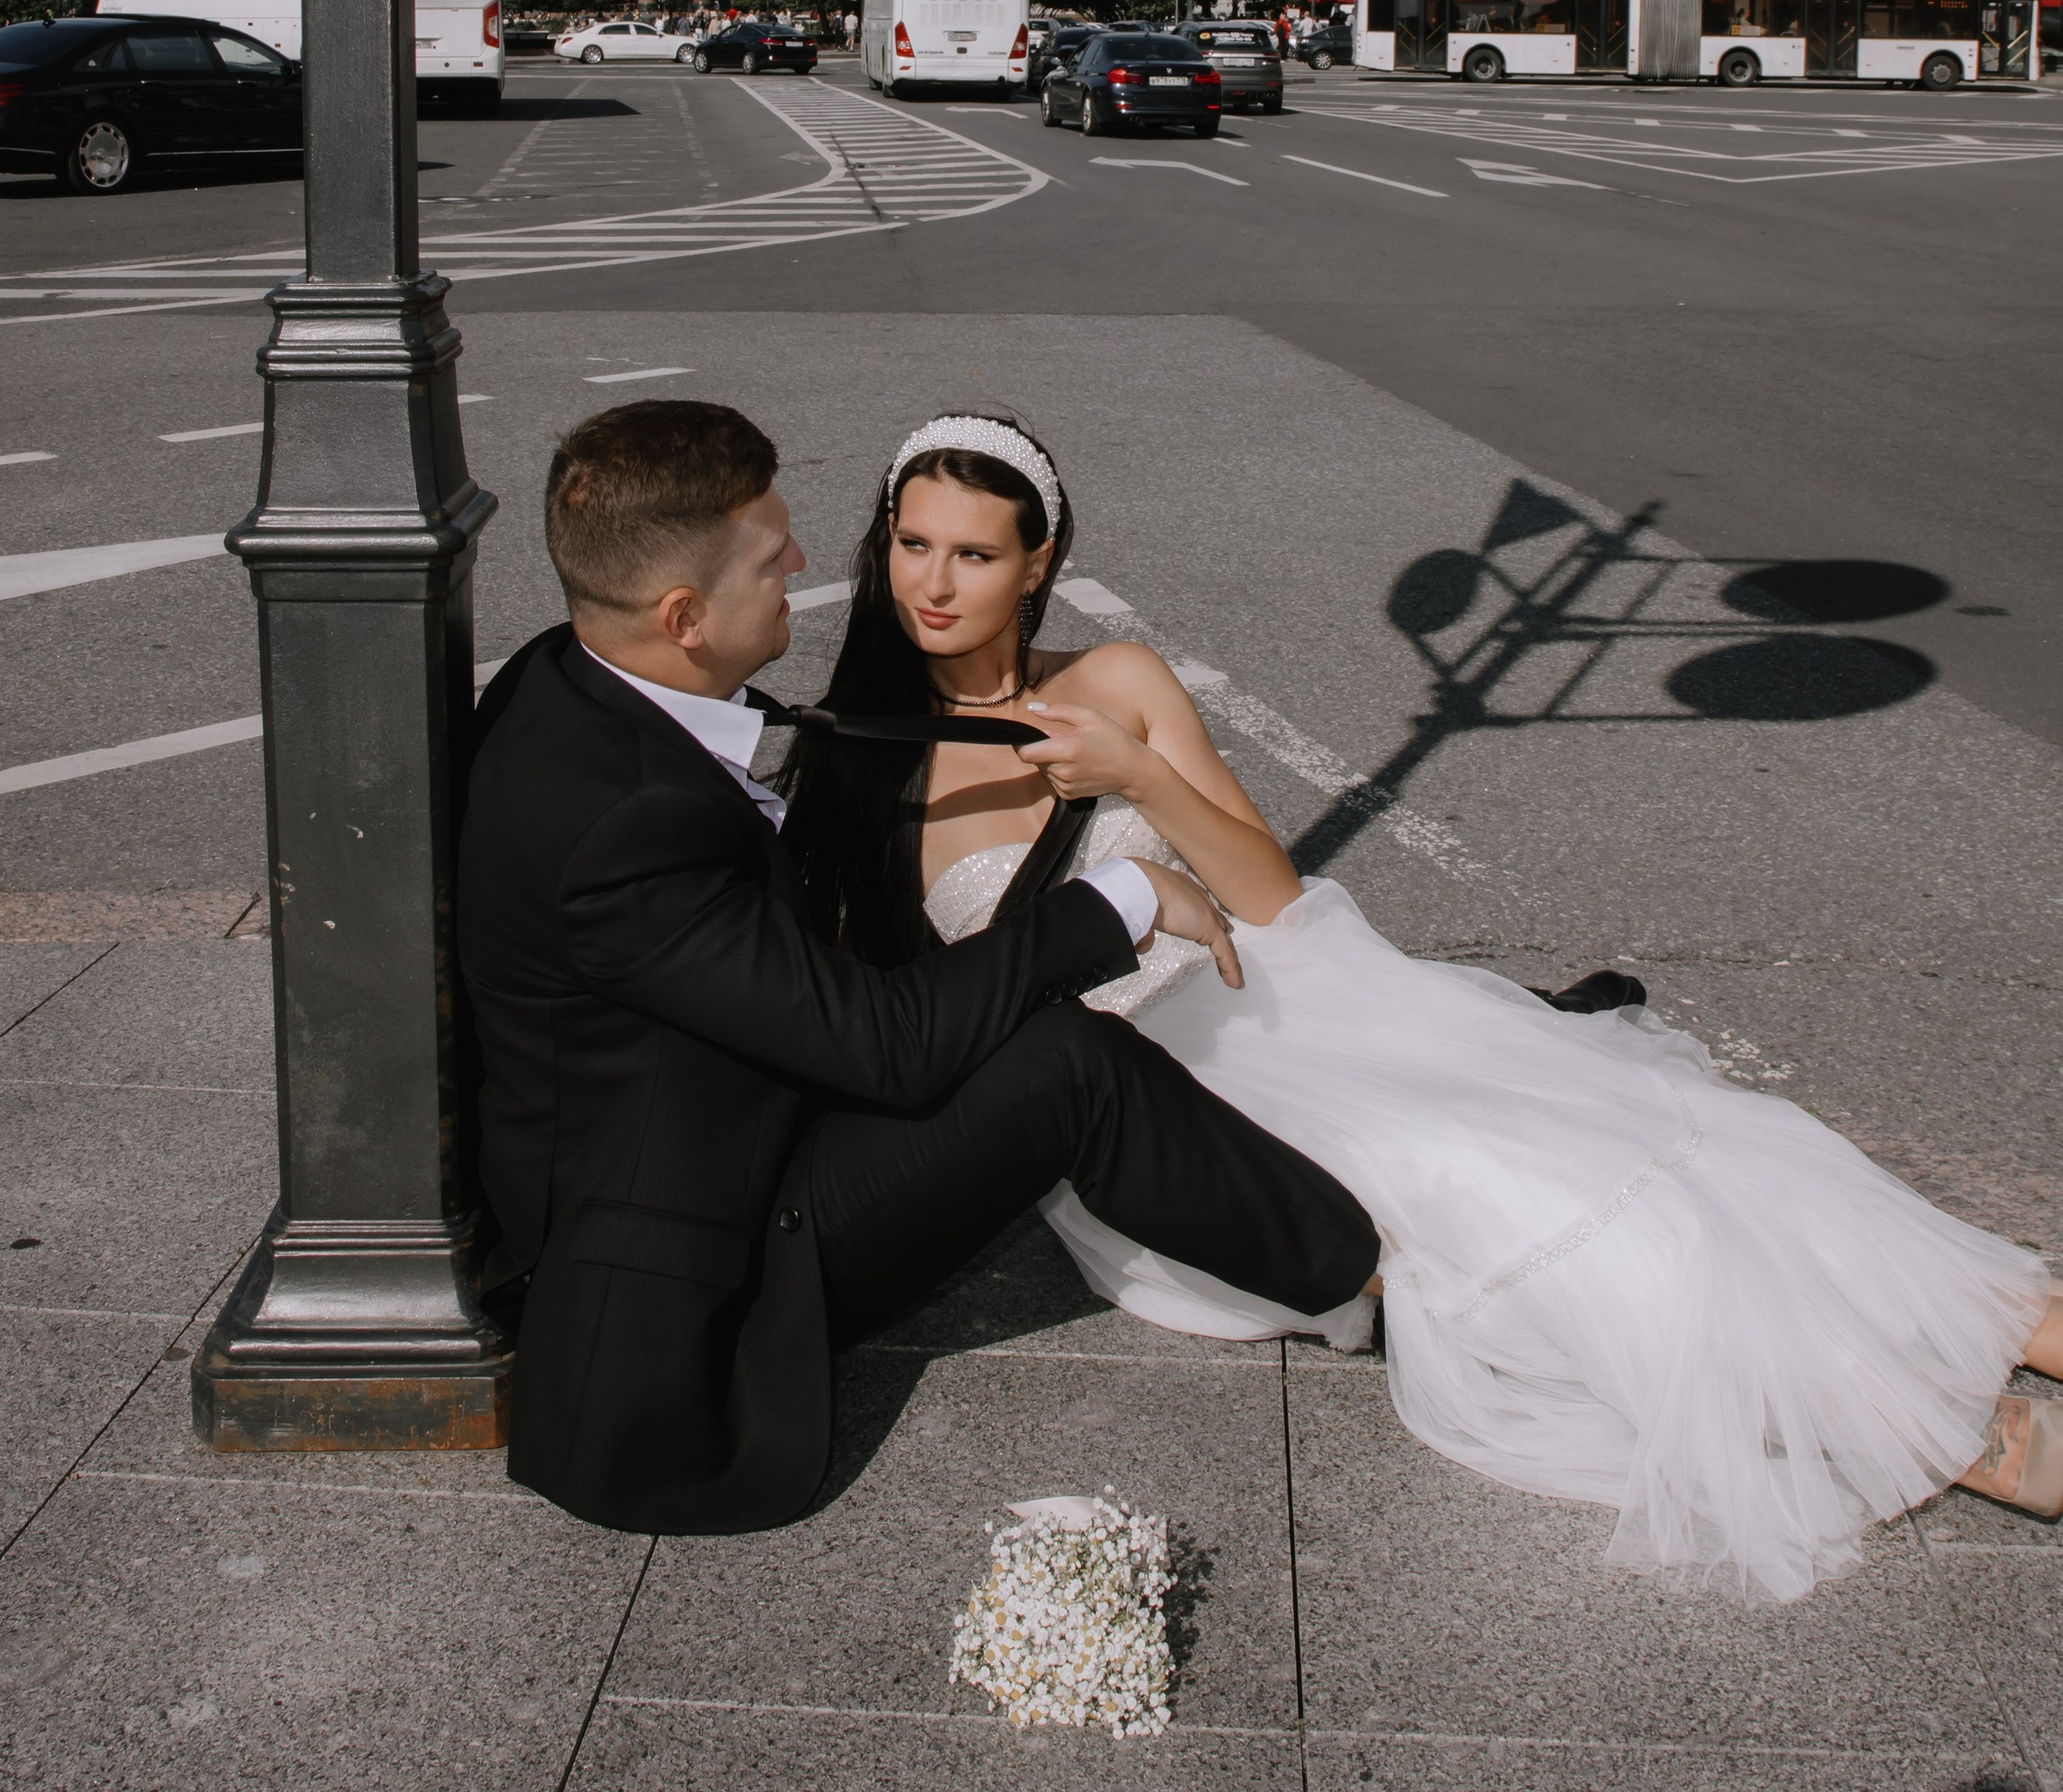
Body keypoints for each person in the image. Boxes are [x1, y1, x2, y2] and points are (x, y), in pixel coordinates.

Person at [790, 412, 2063, 1605]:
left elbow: (1269, 890)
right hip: (1137, 1105)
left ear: (1040, 565)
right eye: (914, 545)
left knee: (1588, 1134)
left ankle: (2029, 1318)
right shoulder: (865, 760)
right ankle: (1930, 1420)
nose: (936, 582)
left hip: (1290, 995)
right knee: (1464, 1203)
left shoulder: (1115, 682)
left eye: (974, 553)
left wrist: (1138, 778)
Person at [456, 401, 1379, 1535]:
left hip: (729, 1127)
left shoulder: (567, 674)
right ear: (683, 616)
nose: (804, 559)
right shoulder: (625, 824)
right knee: (1072, 1061)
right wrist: (1125, 897)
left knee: (1063, 1053)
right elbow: (884, 1047)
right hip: (716, 1263)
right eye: (768, 554)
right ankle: (1370, 1286)